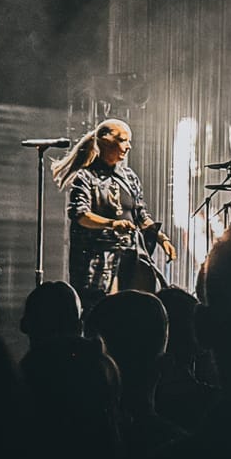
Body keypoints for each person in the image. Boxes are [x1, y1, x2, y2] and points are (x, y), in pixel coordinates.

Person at [52, 119, 176, 315]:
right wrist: (112, 224)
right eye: (123, 140)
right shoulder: (85, 177)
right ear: (105, 142)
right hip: (96, 262)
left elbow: (141, 215)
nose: (128, 146)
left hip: (129, 258)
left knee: (130, 311)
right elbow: (81, 215)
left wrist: (162, 238)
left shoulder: (129, 177)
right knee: (98, 312)